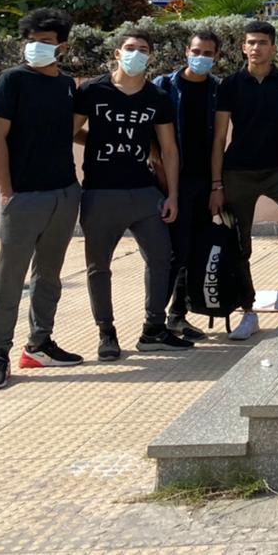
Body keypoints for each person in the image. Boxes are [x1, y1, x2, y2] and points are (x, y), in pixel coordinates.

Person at [74, 30, 193, 360]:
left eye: (143, 49)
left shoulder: (157, 97)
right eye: (129, 48)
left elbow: (169, 150)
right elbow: (70, 130)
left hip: (143, 192)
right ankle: (106, 333)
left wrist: (172, 195)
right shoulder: (92, 90)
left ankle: (153, 329)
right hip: (100, 192)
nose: (135, 54)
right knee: (98, 267)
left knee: (161, 258)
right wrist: (96, 141)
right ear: (117, 53)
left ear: (150, 57)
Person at [0, 8, 84, 390]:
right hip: (22, 197)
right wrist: (7, 192)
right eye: (32, 41)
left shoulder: (68, 85)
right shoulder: (11, 80)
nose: (36, 47)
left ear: (62, 47)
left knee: (49, 275)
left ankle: (39, 345)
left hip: (64, 193)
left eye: (45, 42)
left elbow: (68, 131)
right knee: (10, 278)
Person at [210, 20, 278, 342]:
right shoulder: (230, 84)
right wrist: (216, 184)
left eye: (262, 42)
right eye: (250, 42)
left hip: (275, 173)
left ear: (273, 47)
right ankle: (248, 312)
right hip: (236, 174)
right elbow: (219, 137)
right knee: (240, 245)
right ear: (243, 47)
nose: (255, 48)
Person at [152, 28, 222, 340]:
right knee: (173, 252)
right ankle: (154, 322)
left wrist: (216, 186)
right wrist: (160, 172)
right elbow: (150, 133)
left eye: (208, 53)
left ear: (216, 57)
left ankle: (177, 316)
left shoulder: (217, 89)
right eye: (196, 52)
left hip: (203, 181)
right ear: (186, 51)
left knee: (193, 251)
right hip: (170, 181)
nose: (201, 58)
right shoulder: (164, 86)